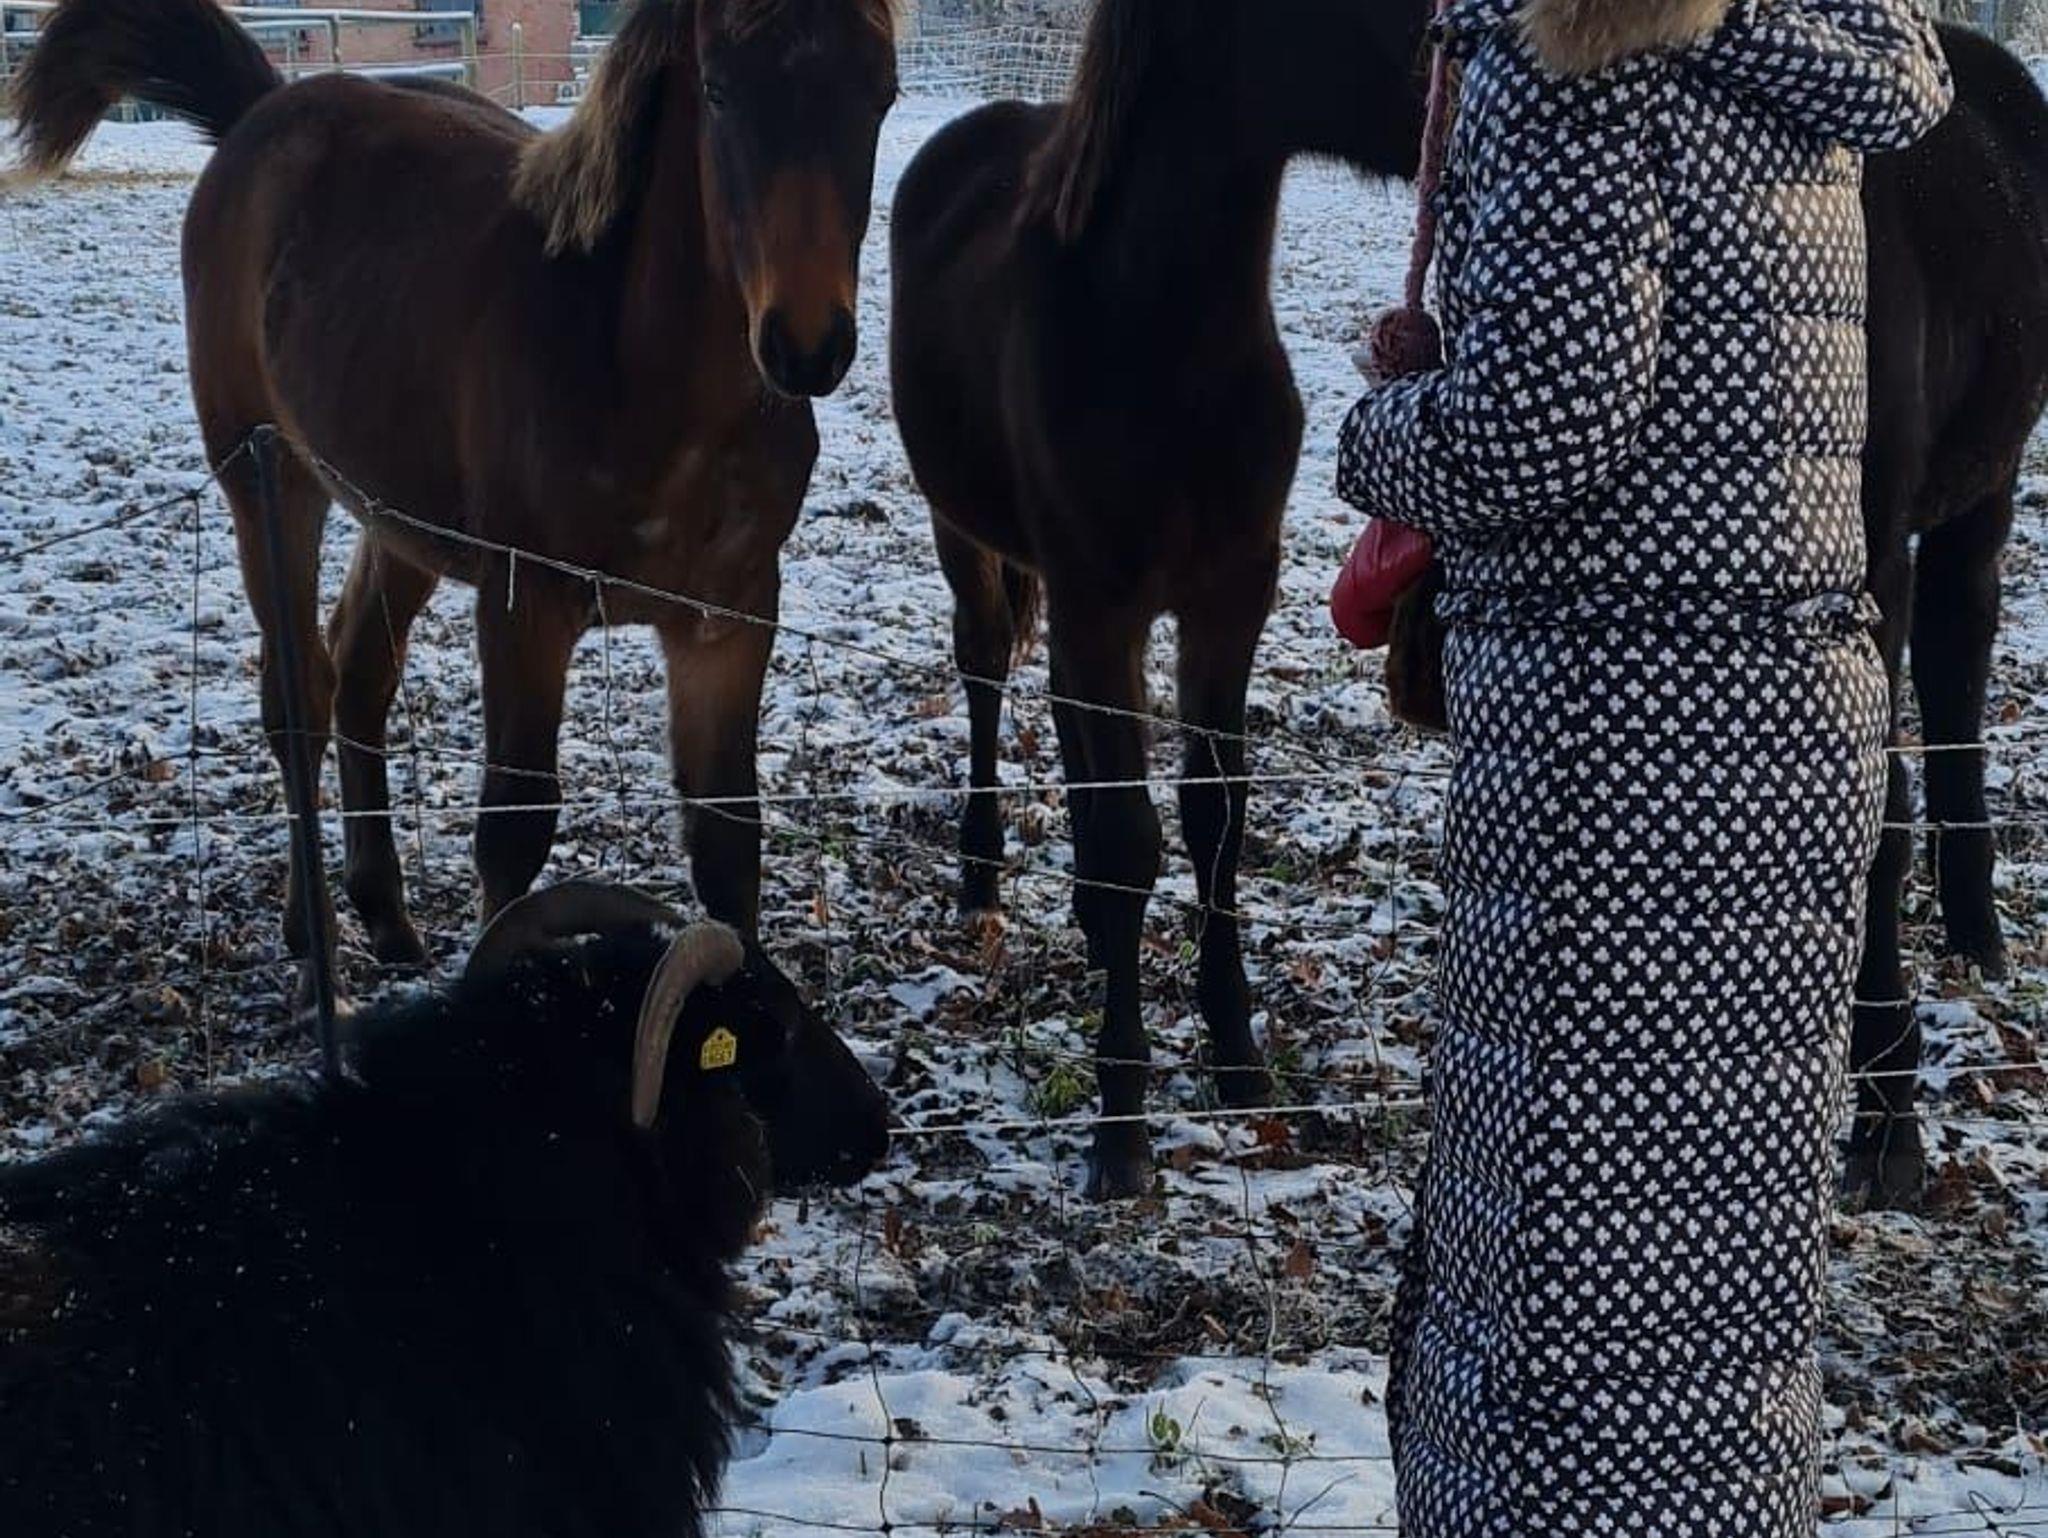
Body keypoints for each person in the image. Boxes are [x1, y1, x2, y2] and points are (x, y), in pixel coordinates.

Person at [1332, 0, 1952, 1532]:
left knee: (1557, 1274)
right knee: (1720, 1272)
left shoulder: (1579, 50)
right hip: (1784, 717)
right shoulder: (1802, 42)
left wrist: (1379, 432)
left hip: (1610, 743)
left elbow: (1542, 422)